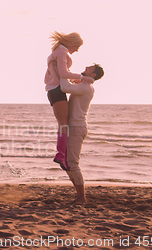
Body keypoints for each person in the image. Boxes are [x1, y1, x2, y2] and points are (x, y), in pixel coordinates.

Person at [44, 31, 94, 171]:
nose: (77, 50)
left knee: (63, 123)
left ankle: (62, 154)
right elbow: (64, 73)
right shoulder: (61, 52)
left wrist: (75, 79)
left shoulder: (60, 52)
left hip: (55, 89)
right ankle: (61, 155)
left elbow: (63, 74)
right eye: (77, 46)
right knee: (63, 123)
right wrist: (83, 78)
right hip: (56, 89)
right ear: (72, 43)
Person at [60, 64, 104, 204]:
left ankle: (81, 198)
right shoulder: (84, 85)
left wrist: (62, 73)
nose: (86, 67)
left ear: (94, 75)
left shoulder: (86, 87)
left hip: (77, 127)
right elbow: (72, 83)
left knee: (73, 163)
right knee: (66, 163)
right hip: (74, 127)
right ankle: (79, 195)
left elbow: (64, 88)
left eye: (89, 68)